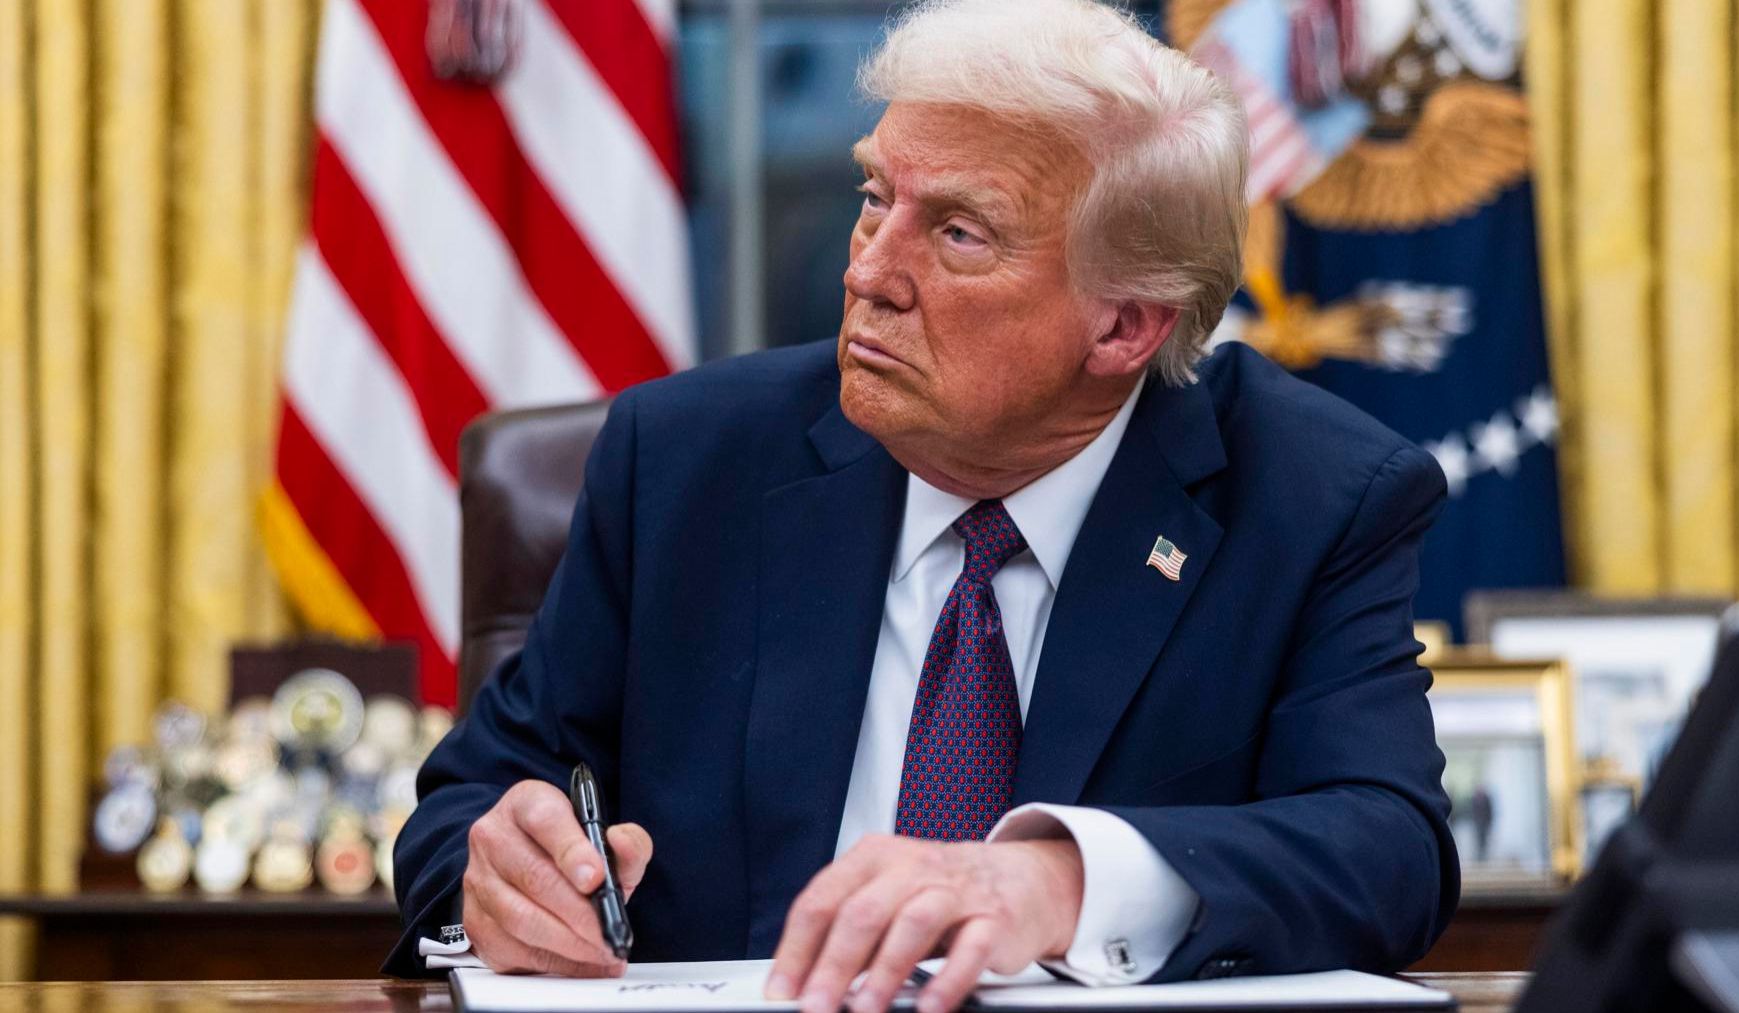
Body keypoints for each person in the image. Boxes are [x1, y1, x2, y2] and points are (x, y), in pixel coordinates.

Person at [387, 0, 1460, 1008]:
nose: (869, 273)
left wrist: (1055, 883)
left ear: (1125, 327)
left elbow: (1386, 846)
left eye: (958, 234)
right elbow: (470, 803)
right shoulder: (685, 460)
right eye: (873, 200)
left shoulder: (1311, 495)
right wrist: (498, 880)